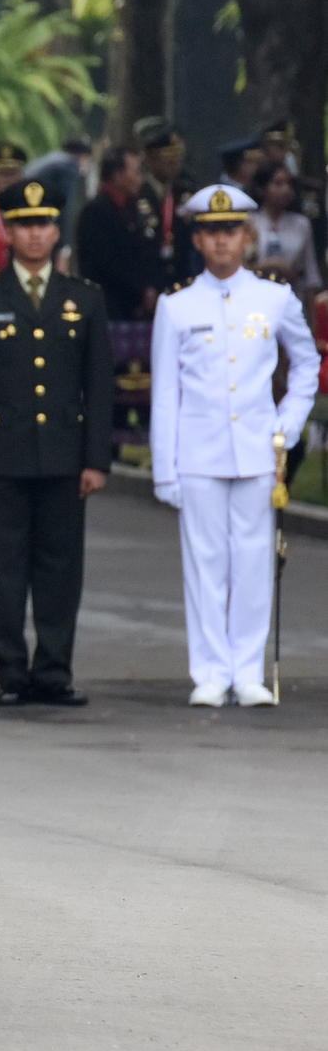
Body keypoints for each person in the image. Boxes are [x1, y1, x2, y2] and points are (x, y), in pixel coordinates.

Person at [151, 185, 318, 707]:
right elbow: (165, 392)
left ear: (247, 238)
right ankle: (209, 671)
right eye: (211, 233)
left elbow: (308, 363)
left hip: (256, 450)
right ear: (197, 240)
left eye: (231, 232)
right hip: (198, 451)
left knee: (252, 560)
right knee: (204, 561)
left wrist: (286, 426)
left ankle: (247, 670)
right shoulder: (177, 306)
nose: (222, 243)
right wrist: (164, 468)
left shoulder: (273, 298)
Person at [0, 179, 112, 708]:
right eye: (25, 225)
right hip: (4, 456)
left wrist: (96, 459)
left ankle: (54, 671)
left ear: (56, 230)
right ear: (10, 233)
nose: (35, 235)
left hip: (65, 456)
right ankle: (11, 674)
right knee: (4, 571)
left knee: (61, 570)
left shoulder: (84, 299)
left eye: (43, 224)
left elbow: (99, 385)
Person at [76, 146, 162, 320]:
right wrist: (139, 292)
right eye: (136, 172)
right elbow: (107, 263)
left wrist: (151, 288)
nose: (140, 179)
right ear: (117, 175)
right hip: (110, 309)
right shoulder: (95, 213)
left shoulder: (139, 209)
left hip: (141, 310)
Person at [133, 117, 196, 288]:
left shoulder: (184, 192)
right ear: (150, 159)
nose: (174, 166)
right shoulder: (138, 195)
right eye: (167, 160)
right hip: (148, 282)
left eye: (177, 160)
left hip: (181, 278)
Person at [250, 162, 321, 294]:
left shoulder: (300, 224)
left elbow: (310, 272)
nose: (286, 189)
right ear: (261, 188)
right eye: (278, 184)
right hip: (256, 294)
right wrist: (275, 264)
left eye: (288, 183)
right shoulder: (250, 223)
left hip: (292, 294)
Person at [25, 137, 94, 255]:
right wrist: (63, 244)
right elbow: (64, 206)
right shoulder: (68, 166)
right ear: (82, 156)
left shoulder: (54, 158)